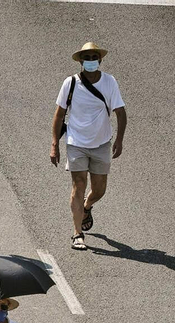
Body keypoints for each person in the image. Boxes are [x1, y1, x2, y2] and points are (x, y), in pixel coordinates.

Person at [50, 42, 126, 251]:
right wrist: (54, 144)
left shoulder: (109, 82)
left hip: (101, 143)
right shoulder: (70, 83)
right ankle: (77, 234)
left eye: (94, 57)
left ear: (100, 60)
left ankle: (87, 205)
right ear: (81, 61)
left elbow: (120, 112)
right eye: (87, 58)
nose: (91, 61)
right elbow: (59, 114)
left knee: (99, 190)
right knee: (78, 184)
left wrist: (119, 140)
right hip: (76, 143)